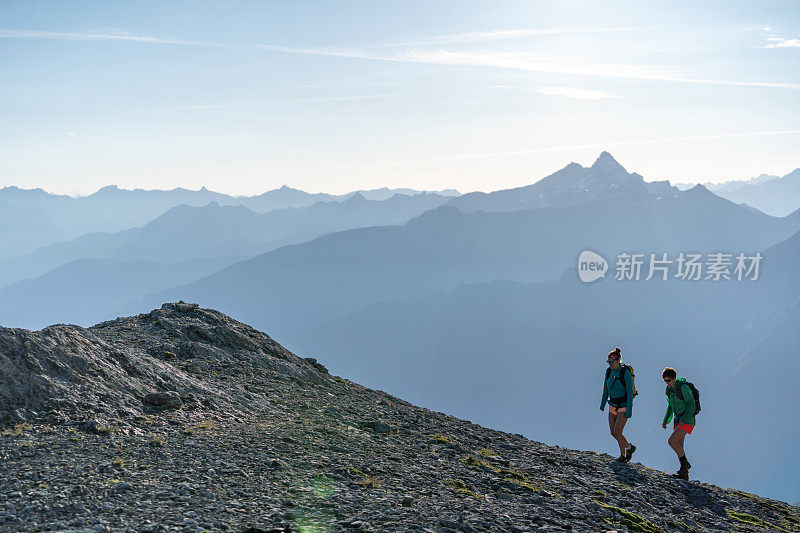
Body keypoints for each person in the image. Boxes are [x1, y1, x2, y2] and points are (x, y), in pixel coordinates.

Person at [600, 347, 636, 462]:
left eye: (611, 362)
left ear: (618, 360)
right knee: (613, 433)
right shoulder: (608, 371)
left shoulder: (624, 373)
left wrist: (629, 410)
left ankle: (623, 455)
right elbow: (606, 388)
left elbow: (630, 392)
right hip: (612, 404)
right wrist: (603, 403)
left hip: (624, 404)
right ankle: (629, 448)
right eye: (608, 362)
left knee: (618, 431)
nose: (610, 364)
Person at [662, 367, 695, 480]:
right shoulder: (669, 390)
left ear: (675, 378)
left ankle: (685, 464)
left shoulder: (683, 387)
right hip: (678, 420)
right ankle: (684, 474)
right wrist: (666, 419)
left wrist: (684, 419)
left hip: (687, 419)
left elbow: (691, 404)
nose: (668, 382)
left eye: (669, 380)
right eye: (665, 380)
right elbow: (670, 406)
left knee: (671, 441)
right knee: (679, 446)